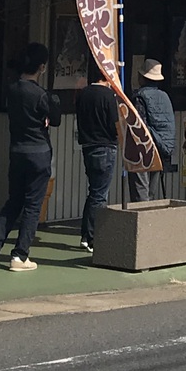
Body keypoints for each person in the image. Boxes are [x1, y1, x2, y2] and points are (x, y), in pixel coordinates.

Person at [0, 42, 61, 272]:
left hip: (17, 151)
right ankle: (20, 255)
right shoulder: (40, 94)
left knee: (13, 201)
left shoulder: (12, 89)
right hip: (39, 153)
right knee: (33, 206)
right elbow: (55, 118)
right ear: (42, 67)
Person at [75, 59, 119, 253]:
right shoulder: (109, 96)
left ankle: (86, 234)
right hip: (106, 146)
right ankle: (92, 238)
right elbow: (114, 124)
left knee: (94, 192)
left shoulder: (83, 93)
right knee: (99, 195)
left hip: (87, 146)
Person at [128, 58, 176, 202]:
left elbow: (139, 125)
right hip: (162, 148)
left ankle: (141, 220)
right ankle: (149, 219)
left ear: (142, 78)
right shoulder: (165, 96)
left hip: (145, 147)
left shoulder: (140, 97)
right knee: (151, 190)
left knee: (140, 190)